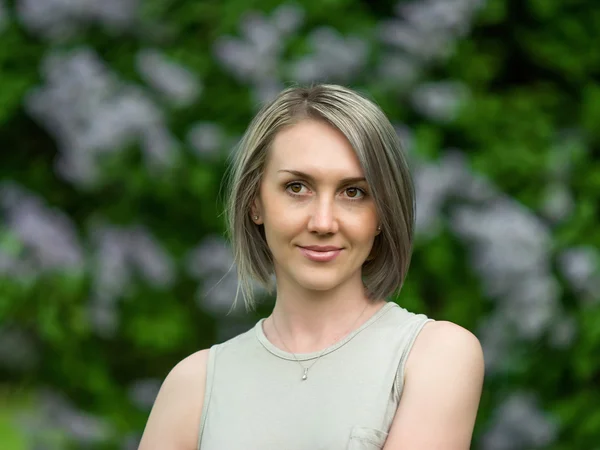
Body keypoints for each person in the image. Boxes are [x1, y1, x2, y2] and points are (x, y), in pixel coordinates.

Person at [138, 84, 485, 450]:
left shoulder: (434, 355)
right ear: (255, 203)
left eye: (353, 192)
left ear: (382, 214)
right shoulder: (194, 385)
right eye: (297, 187)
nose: (323, 222)